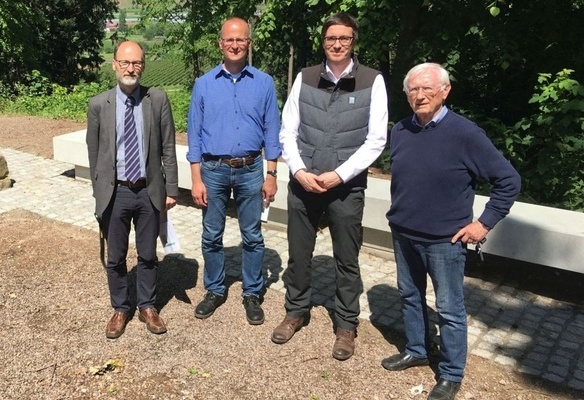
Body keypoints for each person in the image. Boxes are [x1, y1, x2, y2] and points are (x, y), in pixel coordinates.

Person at [381, 63, 521, 400]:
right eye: (413, 89)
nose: (419, 94)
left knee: (449, 309)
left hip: (445, 241)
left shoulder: (465, 134)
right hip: (404, 233)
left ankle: (451, 373)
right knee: (410, 296)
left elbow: (509, 181)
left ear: (445, 90)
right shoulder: (401, 130)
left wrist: (483, 223)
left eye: (427, 88)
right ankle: (416, 349)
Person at [273, 13, 388, 361]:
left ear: (354, 41)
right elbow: (287, 131)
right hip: (304, 182)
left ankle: (346, 324)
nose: (337, 44)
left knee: (346, 260)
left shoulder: (373, 80)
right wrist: (298, 170)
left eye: (344, 39)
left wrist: (341, 174)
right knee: (298, 254)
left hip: (346, 188)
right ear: (323, 42)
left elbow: (376, 139)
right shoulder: (306, 77)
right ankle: (296, 311)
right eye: (330, 39)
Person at [186, 17, 281, 325]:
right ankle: (215, 289)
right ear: (221, 44)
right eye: (230, 40)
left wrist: (272, 174)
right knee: (212, 234)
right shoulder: (203, 84)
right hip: (212, 170)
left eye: (241, 40)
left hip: (252, 168)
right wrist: (196, 178)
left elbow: (271, 130)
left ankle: (252, 293)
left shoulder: (264, 83)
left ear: (249, 44)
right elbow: (194, 133)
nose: (235, 45)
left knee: (252, 235)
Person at [86, 41, 178, 339]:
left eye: (136, 62)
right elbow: (94, 152)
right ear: (114, 64)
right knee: (115, 257)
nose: (130, 68)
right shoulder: (99, 105)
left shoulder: (158, 100)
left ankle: (148, 306)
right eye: (125, 62)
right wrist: (99, 190)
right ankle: (121, 307)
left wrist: (172, 189)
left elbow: (167, 147)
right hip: (116, 192)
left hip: (148, 190)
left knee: (148, 254)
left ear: (143, 65)